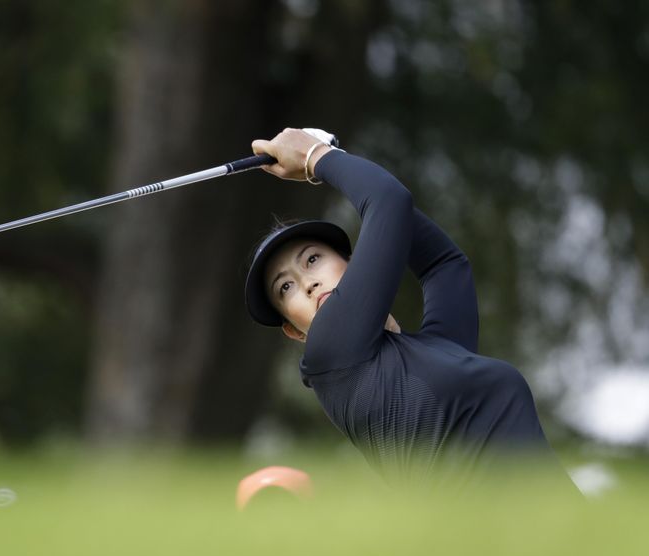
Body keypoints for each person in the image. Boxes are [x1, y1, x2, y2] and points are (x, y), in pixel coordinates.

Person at [245, 128, 573, 490]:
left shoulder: (442, 350)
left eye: (312, 260)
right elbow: (387, 202)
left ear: (356, 263)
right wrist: (315, 157)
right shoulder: (329, 353)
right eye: (286, 287)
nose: (307, 283)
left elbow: (445, 264)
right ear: (294, 330)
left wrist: (335, 161)